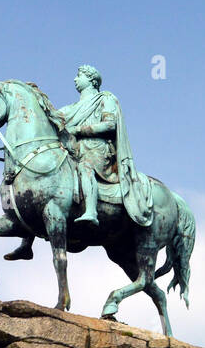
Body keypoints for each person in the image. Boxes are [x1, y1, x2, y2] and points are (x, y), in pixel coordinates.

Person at [56, 65, 154, 228]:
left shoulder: (105, 99)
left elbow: (110, 125)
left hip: (98, 150)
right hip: (75, 151)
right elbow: (53, 119)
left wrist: (78, 130)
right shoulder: (70, 109)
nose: (75, 79)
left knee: (85, 167)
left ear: (92, 80)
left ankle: (91, 211)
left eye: (79, 75)